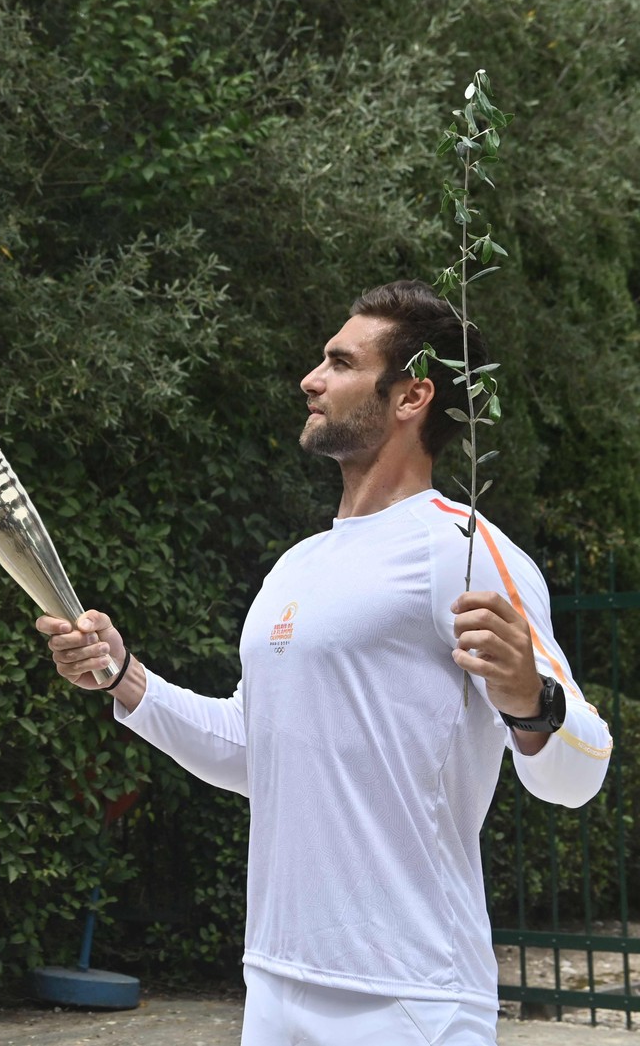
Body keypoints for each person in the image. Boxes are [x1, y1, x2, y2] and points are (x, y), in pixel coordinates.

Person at [39, 281, 611, 1045]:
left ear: (411, 396)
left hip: (412, 996)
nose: (311, 379)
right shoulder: (295, 567)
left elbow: (581, 772)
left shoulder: (464, 549)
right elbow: (255, 750)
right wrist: (125, 677)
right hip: (276, 981)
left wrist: (529, 697)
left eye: (339, 362)